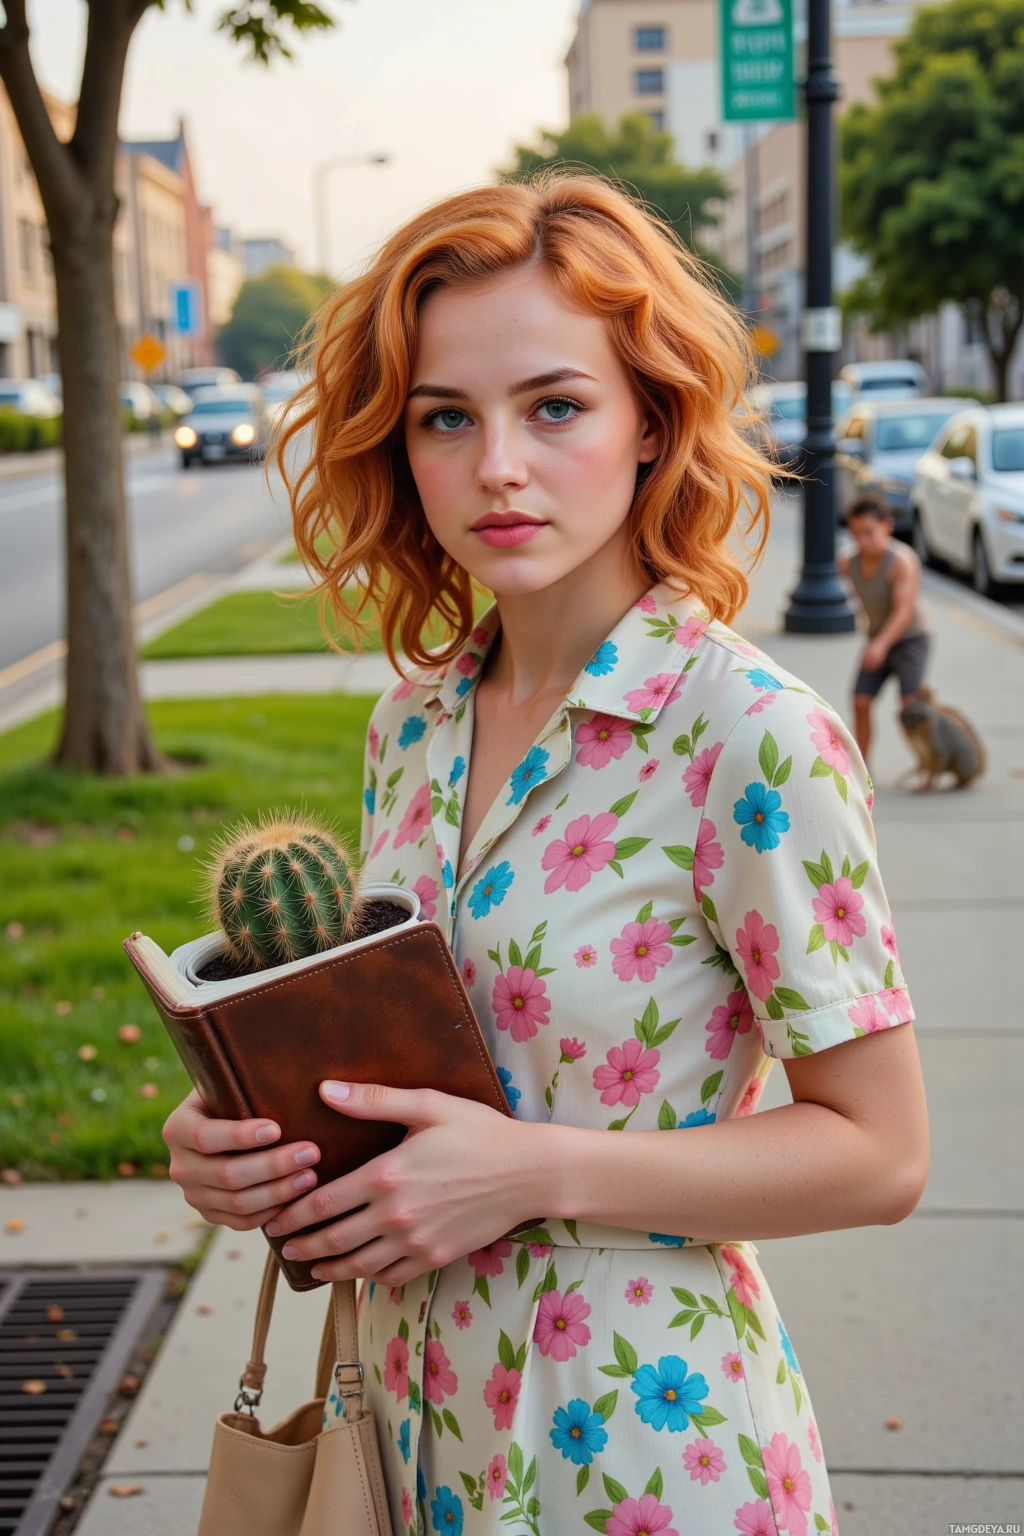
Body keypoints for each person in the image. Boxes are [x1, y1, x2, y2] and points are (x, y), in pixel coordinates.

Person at [163, 178, 928, 1536]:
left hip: (641, 1439)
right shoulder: (416, 725)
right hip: (407, 1422)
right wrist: (242, 1152)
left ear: (652, 420)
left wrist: (535, 1171)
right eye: (446, 419)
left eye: (555, 406)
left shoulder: (749, 736)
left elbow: (879, 1155)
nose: (497, 466)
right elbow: (411, 1081)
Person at [838, 493, 931, 767]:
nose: (862, 541)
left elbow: (904, 611)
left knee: (909, 705)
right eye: (856, 534)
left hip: (910, 639)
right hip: (877, 638)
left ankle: (927, 765)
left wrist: (879, 645)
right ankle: (861, 770)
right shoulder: (847, 562)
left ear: (887, 527)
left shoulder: (902, 561)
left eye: (869, 533)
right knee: (860, 701)